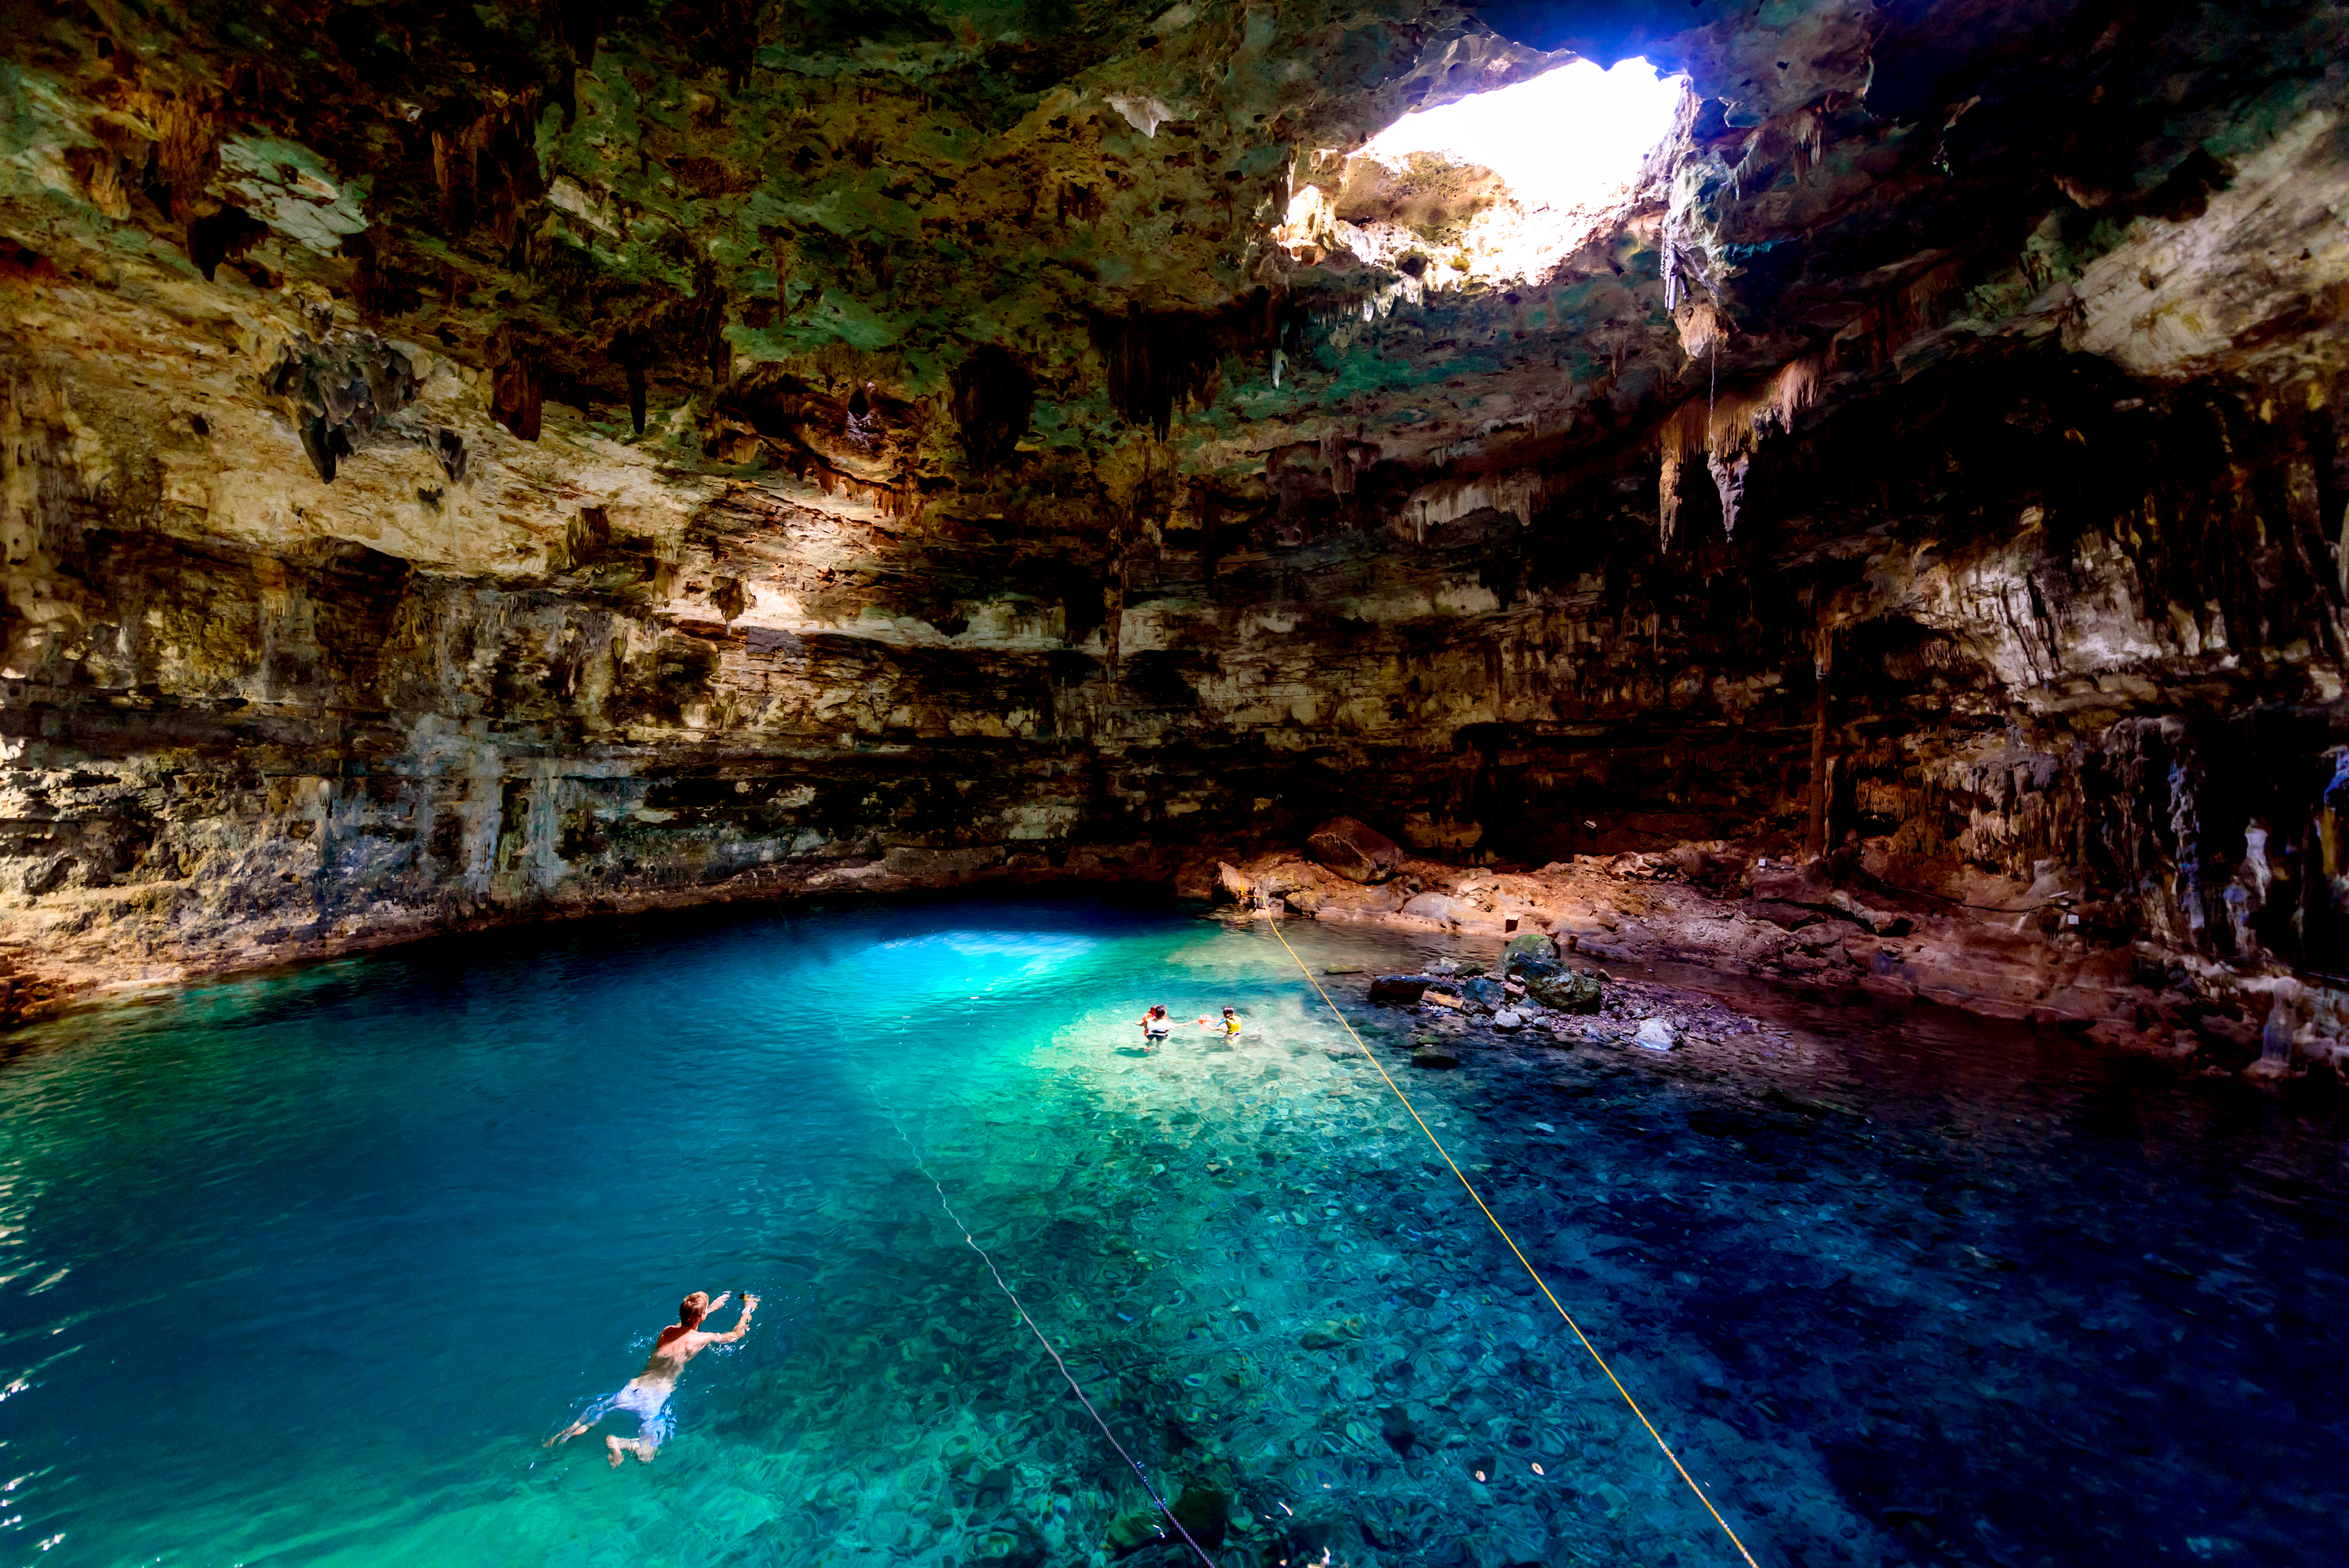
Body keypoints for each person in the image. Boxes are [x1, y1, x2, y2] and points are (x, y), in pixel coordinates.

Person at [547, 1289, 759, 1466]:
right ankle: (620, 1444)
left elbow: (684, 1325)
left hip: (633, 1388)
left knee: (597, 1412)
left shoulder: (666, 1332)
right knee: (647, 1456)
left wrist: (710, 1308)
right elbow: (737, 1335)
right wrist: (747, 1309)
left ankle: (562, 1435)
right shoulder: (703, 1339)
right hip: (655, 1396)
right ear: (702, 1317)